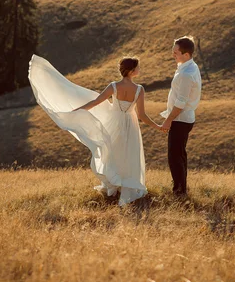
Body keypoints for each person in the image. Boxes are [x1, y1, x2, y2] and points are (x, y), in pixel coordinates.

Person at [28, 55, 161, 206]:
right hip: (130, 125)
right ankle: (126, 187)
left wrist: (77, 112)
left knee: (113, 152)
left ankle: (114, 185)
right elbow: (142, 115)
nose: (139, 69)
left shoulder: (114, 86)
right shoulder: (139, 90)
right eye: (137, 67)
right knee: (129, 154)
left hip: (114, 122)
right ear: (131, 71)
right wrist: (158, 126)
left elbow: (96, 102)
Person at [160, 36, 202, 196]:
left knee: (174, 156)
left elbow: (181, 102)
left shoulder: (186, 73)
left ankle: (179, 190)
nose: (173, 54)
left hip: (180, 119)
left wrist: (168, 120)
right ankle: (181, 187)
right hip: (185, 118)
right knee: (180, 154)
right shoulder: (188, 66)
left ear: (186, 54)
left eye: (176, 52)